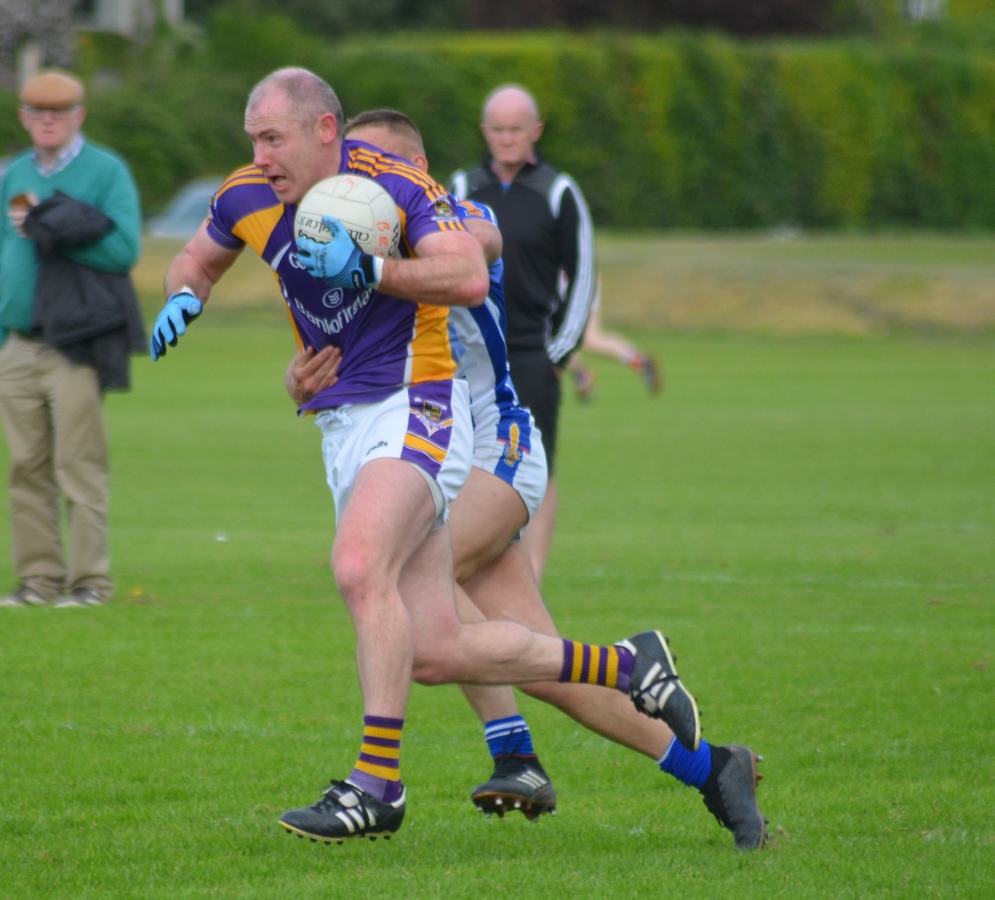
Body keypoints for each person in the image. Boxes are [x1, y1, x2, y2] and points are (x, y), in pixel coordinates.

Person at [153, 67, 702, 845]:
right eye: (254, 139)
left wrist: (374, 263)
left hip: (432, 415)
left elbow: (476, 256)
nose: (259, 153)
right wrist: (184, 297)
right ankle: (626, 669)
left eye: (271, 137)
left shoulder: (415, 195)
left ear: (326, 132)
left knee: (357, 566)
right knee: (437, 647)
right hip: (347, 429)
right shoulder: (249, 193)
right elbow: (199, 260)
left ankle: (379, 785)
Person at [288, 109, 767, 850]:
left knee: (400, 602)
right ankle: (714, 770)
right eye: (353, 169)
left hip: (493, 453)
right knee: (534, 661)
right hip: (435, 458)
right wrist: (304, 381)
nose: (361, 184)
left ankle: (511, 753)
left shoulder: (452, 219)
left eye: (378, 167)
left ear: (416, 171)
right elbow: (353, 372)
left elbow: (482, 243)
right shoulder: (355, 252)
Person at [0, 70, 146, 609]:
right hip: (16, 344)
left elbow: (123, 251)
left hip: (73, 342)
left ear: (79, 115)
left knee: (78, 465)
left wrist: (53, 229)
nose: (47, 121)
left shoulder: (107, 171)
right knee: (25, 468)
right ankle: (37, 582)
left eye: (58, 112)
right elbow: (1, 254)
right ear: (23, 117)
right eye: (36, 112)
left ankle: (90, 584)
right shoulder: (16, 172)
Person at [450, 84, 591, 583]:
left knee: (538, 463)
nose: (507, 139)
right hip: (470, 354)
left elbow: (583, 274)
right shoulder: (463, 187)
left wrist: (559, 350)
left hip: (532, 352)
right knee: (467, 454)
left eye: (517, 129)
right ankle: (472, 559)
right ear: (485, 132)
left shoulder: (558, 191)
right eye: (498, 129)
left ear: (536, 132)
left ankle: (531, 572)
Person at [567, 284, 663, 403]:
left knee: (583, 339)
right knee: (590, 340)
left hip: (576, 281)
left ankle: (581, 373)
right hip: (570, 281)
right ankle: (642, 362)